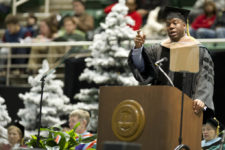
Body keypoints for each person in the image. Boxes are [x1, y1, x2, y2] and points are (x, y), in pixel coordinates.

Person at [128, 6, 215, 114]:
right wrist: (138, 48)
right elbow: (142, 69)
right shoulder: (158, 49)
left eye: (175, 23)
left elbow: (206, 79)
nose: (171, 26)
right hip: (159, 108)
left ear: (184, 25)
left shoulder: (199, 51)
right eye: (168, 24)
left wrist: (201, 99)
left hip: (190, 109)